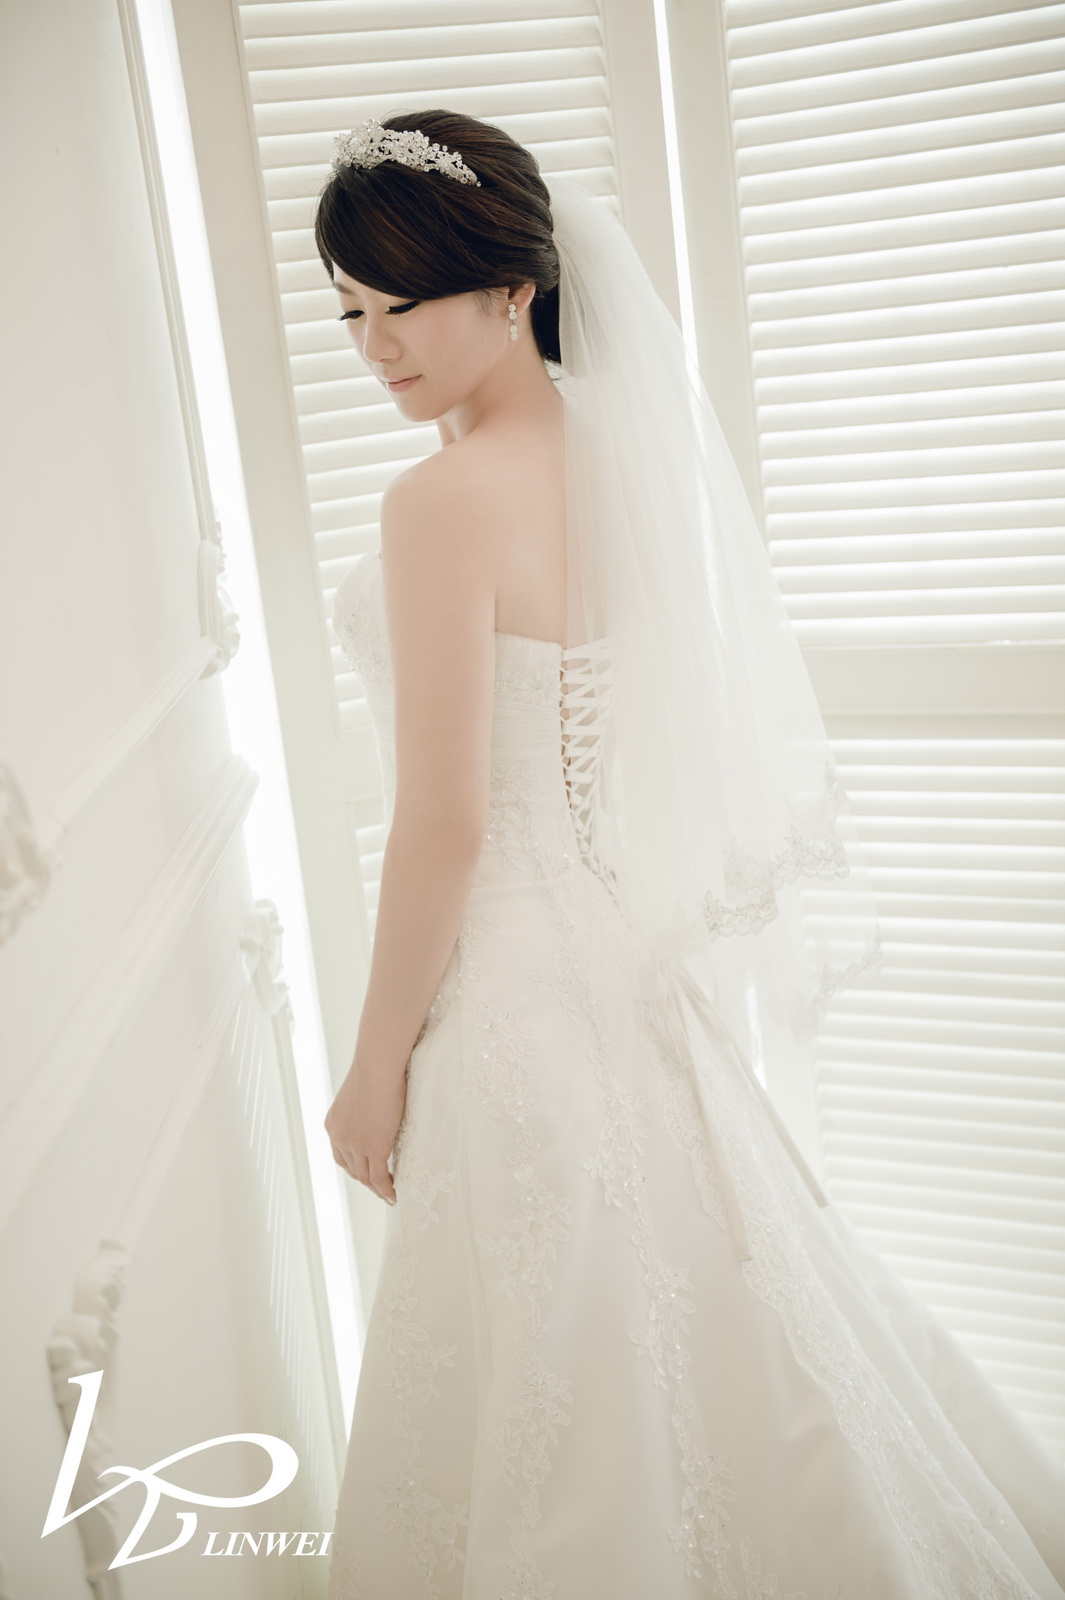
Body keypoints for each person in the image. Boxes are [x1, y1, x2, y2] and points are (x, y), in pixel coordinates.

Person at [319, 111, 1065, 1600]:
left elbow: (447, 822)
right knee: (728, 1325)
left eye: (405, 303)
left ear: (512, 288)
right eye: (348, 312)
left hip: (512, 996)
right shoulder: (618, 447)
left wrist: (373, 1064)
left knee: (564, 1374)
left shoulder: (439, 503)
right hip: (620, 969)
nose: (376, 347)